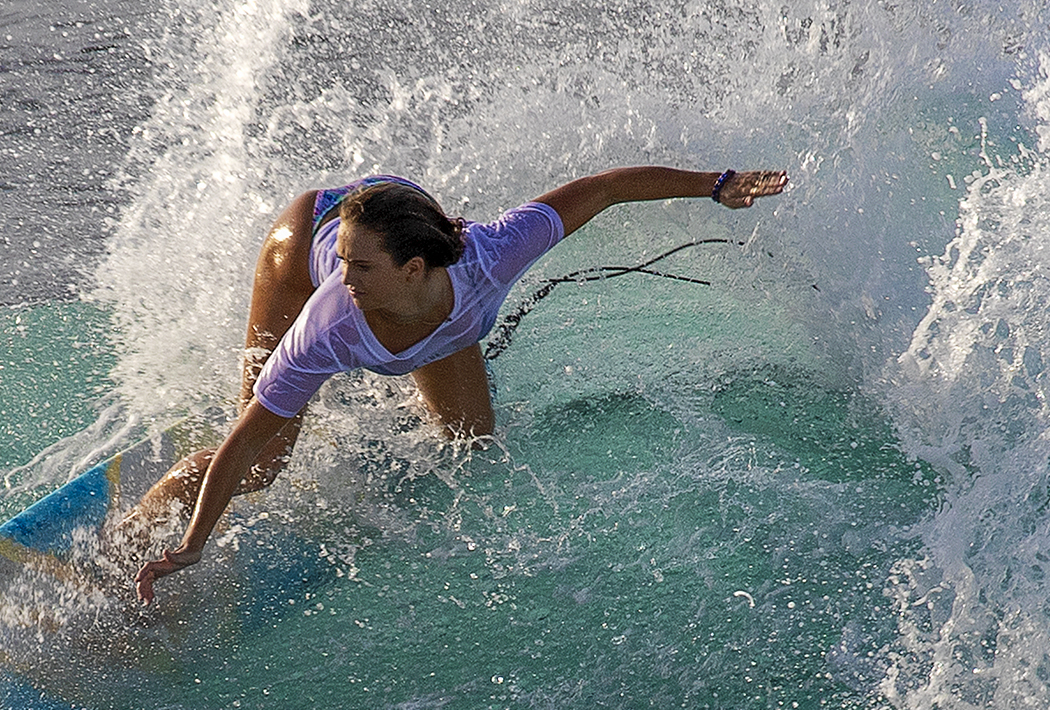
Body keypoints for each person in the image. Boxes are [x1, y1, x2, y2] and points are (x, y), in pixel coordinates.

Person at [132, 165, 789, 603]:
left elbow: (607, 188)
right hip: (299, 242)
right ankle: (129, 539)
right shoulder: (327, 320)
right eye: (344, 269)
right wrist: (192, 545)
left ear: (416, 269)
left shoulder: (494, 253)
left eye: (358, 269)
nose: (346, 280)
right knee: (262, 469)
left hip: (400, 226)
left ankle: (390, 372)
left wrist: (718, 184)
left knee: (471, 438)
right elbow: (245, 443)